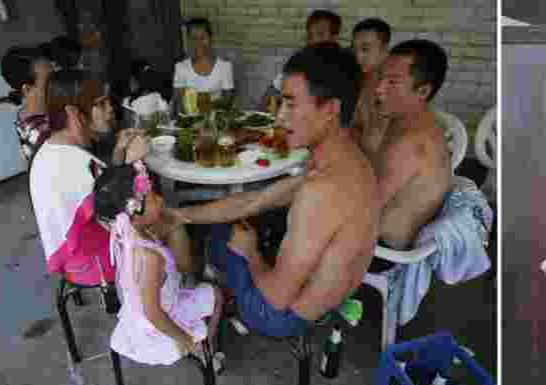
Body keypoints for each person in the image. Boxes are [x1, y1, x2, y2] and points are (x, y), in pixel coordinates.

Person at [165, 45, 378, 338]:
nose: (279, 117)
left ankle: (218, 299)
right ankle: (225, 277)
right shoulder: (347, 159)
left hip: (280, 316)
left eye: (290, 104)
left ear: (330, 109)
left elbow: (277, 298)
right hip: (328, 291)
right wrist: (181, 214)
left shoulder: (323, 191)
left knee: (218, 238)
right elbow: (260, 199)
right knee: (239, 219)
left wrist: (251, 252)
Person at [91, 163, 224, 369]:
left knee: (187, 287)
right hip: (157, 324)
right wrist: (186, 340)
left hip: (136, 314)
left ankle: (203, 346)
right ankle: (205, 351)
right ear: (134, 213)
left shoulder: (124, 235)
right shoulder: (150, 258)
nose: (160, 199)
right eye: (153, 197)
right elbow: (153, 313)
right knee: (215, 293)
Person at [30, 69, 155, 264]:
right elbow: (137, 212)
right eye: (100, 104)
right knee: (164, 218)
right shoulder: (77, 162)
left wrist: (119, 154)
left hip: (71, 256)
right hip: (98, 261)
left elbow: (100, 191)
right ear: (73, 112)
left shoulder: (49, 147)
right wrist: (132, 163)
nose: (110, 109)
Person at [370, 39, 452, 257]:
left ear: (423, 91)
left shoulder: (409, 143)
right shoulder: (408, 117)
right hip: (375, 228)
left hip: (379, 251)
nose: (378, 89)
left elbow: (363, 212)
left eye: (392, 82)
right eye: (381, 78)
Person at [262, 10, 343, 112]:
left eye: (320, 34)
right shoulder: (298, 60)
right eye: (310, 35)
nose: (314, 40)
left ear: (334, 37)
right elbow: (270, 95)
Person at [0, 45, 54, 161]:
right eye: (49, 80)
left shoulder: (26, 113)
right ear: (27, 89)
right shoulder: (42, 132)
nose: (57, 82)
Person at [350, 17, 392, 154]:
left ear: (385, 50)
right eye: (354, 49)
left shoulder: (396, 89)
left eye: (365, 49)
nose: (357, 57)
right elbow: (355, 125)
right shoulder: (361, 81)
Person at [174, 18, 234, 113]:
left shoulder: (225, 66)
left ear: (211, 38)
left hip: (215, 120)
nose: (198, 42)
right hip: (189, 121)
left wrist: (203, 102)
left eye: (203, 37)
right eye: (193, 38)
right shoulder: (181, 67)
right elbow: (178, 102)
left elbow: (228, 101)